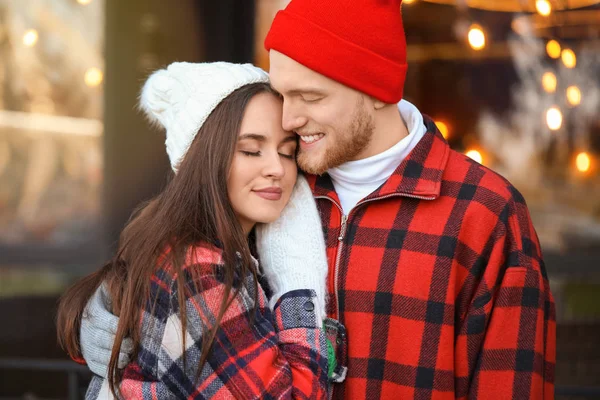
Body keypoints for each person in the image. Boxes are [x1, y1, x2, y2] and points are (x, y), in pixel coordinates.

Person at [80, 0, 556, 398]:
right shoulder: (279, 189)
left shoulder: (483, 214)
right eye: (283, 94)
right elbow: (187, 276)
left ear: (375, 89)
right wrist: (112, 324)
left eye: (310, 97)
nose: (288, 119)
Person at [56, 61, 346, 399]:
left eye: (287, 151)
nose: (277, 169)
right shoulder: (198, 270)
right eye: (251, 150)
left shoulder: (224, 252)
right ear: (203, 158)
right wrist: (298, 286)